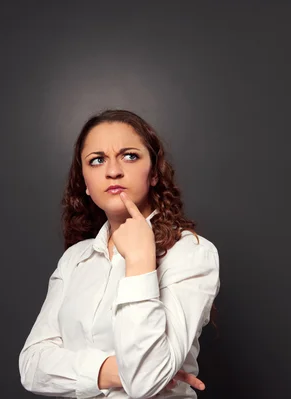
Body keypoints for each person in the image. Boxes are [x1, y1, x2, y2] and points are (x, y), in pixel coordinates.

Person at [18, 109, 220, 398]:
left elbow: (144, 381)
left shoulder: (190, 253)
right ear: (85, 183)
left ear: (154, 173)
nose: (113, 170)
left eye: (129, 156)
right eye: (97, 160)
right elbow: (32, 366)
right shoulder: (75, 259)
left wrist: (140, 261)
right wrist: (114, 371)